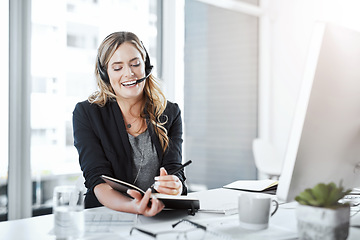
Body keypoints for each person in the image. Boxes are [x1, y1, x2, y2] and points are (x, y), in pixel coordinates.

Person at [72, 31, 187, 217]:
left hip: (157, 217)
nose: (129, 73)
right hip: (106, 217)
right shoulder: (87, 113)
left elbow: (175, 170)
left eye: (135, 64)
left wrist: (175, 185)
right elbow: (97, 180)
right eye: (117, 68)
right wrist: (134, 207)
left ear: (146, 66)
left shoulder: (170, 112)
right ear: (105, 74)